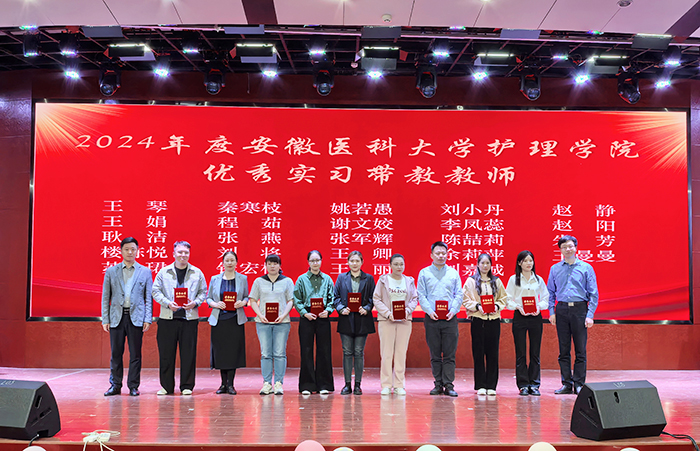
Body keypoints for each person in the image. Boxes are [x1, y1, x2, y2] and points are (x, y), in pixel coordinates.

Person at [152, 241, 207, 395]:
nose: (183, 255)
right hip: (167, 319)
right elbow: (155, 291)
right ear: (174, 254)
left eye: (186, 252)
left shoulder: (197, 272)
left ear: (189, 254)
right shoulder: (164, 272)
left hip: (189, 320)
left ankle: (187, 386)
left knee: (188, 354)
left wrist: (195, 303)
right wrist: (168, 303)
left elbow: (203, 292)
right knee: (166, 354)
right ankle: (166, 386)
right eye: (180, 252)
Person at [101, 237, 153, 397]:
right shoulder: (111, 271)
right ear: (121, 251)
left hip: (136, 318)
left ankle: (133, 386)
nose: (130, 252)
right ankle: (115, 385)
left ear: (137, 251)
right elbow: (105, 297)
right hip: (117, 317)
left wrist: (147, 318)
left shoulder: (145, 271)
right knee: (116, 353)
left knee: (135, 354)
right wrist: (105, 319)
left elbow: (148, 297)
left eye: (133, 249)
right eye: (127, 249)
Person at [547, 235, 599, 395]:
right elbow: (550, 292)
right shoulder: (555, 269)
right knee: (563, 350)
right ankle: (566, 384)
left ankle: (579, 383)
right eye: (564, 247)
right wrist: (552, 312)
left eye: (570, 246)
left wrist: (590, 314)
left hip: (580, 310)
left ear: (575, 247)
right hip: (561, 310)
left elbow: (594, 293)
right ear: (560, 250)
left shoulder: (586, 268)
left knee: (580, 350)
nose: (567, 249)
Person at [417, 241, 463, 397]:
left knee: (450, 354)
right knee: (435, 354)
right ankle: (438, 383)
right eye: (438, 253)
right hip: (432, 318)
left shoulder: (453, 273)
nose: (441, 256)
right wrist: (429, 311)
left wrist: (453, 310)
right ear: (431, 255)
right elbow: (421, 294)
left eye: (444, 253)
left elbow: (459, 294)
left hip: (450, 318)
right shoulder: (424, 273)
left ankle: (449, 384)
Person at [372, 253, 418, 395]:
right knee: (386, 353)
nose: (399, 267)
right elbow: (376, 299)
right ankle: (386, 384)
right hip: (387, 321)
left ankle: (399, 385)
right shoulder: (383, 280)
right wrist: (388, 313)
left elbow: (414, 299)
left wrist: (407, 311)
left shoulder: (409, 281)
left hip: (404, 321)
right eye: (396, 264)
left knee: (401, 353)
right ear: (390, 265)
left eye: (401, 264)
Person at [249, 254, 295, 395]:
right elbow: (252, 300)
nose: (272, 266)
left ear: (280, 266)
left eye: (275, 263)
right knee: (265, 354)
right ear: (265, 265)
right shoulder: (259, 281)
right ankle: (267, 383)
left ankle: (279, 383)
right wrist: (260, 315)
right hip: (263, 322)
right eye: (269, 263)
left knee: (280, 353)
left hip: (282, 322)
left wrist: (283, 315)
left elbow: (291, 301)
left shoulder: (287, 281)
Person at [505, 250, 549, 396]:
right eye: (525, 261)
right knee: (521, 352)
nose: (529, 263)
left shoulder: (538, 279)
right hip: (520, 316)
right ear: (519, 263)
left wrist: (539, 307)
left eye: (531, 260)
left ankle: (534, 384)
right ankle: (523, 384)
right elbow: (507, 299)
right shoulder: (513, 279)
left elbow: (546, 298)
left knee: (535, 352)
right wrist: (518, 307)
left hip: (536, 317)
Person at [463, 253, 507, 396]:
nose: (485, 266)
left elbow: (503, 298)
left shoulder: (496, 281)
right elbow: (465, 299)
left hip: (493, 320)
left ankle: (492, 385)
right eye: (482, 263)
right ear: (477, 264)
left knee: (493, 353)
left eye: (488, 263)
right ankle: (481, 385)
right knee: (478, 353)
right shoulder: (471, 281)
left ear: (491, 265)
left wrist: (497, 306)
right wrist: (477, 306)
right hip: (477, 320)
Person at [333, 251, 376, 395]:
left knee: (358, 352)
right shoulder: (341, 278)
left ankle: (357, 385)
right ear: (348, 262)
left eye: (357, 261)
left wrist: (367, 308)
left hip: (362, 319)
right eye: (352, 261)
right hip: (346, 319)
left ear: (362, 262)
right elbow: (335, 297)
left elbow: (373, 297)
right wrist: (341, 308)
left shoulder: (368, 278)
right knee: (347, 352)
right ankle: (347, 385)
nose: (354, 263)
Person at [206, 251, 249, 395]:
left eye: (232, 260)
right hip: (219, 320)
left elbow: (247, 297)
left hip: (235, 320)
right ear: (223, 263)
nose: (229, 263)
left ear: (236, 262)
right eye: (227, 260)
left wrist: (243, 302)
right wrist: (215, 304)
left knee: (232, 353)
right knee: (221, 353)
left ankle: (231, 384)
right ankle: (222, 384)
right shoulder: (215, 279)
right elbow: (208, 298)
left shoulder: (242, 278)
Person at [293, 250, 335, 395]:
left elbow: (332, 298)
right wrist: (304, 313)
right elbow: (297, 299)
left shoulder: (327, 279)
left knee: (324, 350)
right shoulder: (301, 279)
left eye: (317, 260)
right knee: (306, 350)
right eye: (312, 261)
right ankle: (307, 385)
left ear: (321, 261)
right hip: (307, 316)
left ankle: (324, 385)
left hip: (323, 316)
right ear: (308, 262)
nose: (315, 263)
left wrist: (328, 311)